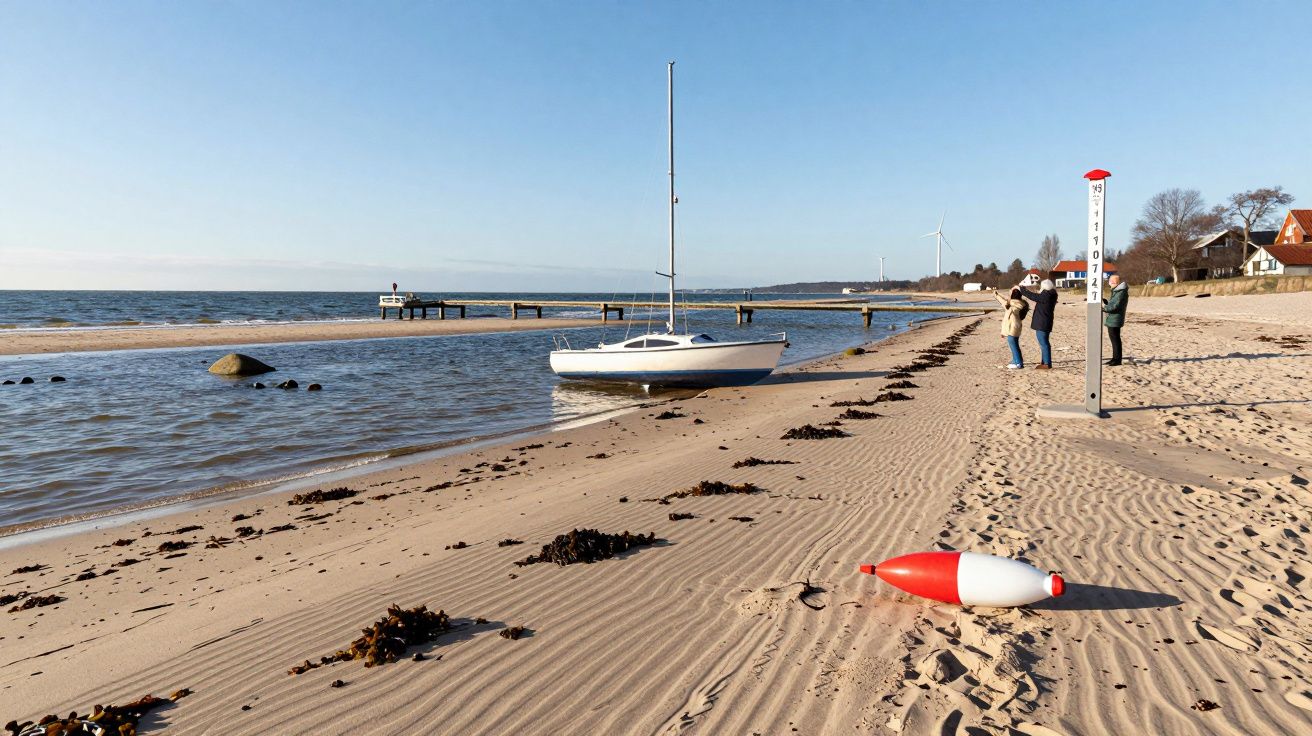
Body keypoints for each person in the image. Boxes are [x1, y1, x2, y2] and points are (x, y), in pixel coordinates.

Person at [1019, 279, 1057, 369]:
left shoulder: (1046, 295)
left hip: (1042, 322)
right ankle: (1044, 362)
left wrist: (1022, 290)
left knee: (1044, 343)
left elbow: (1033, 296)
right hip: (1045, 321)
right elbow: (1036, 295)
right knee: (1044, 342)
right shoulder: (1051, 294)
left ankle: (1047, 363)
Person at [993, 287, 1028, 369]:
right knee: (1014, 344)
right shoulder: (1021, 304)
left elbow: (1003, 300)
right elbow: (1006, 300)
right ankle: (1015, 360)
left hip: (1012, 326)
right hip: (1017, 326)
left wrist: (996, 294)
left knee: (1013, 345)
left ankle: (1019, 363)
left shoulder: (1010, 304)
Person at [1102, 274, 1129, 366]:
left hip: (1115, 319)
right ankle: (1115, 358)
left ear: (1113, 282)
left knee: (1115, 339)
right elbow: (1114, 303)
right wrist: (1107, 303)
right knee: (1114, 339)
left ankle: (1117, 360)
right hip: (1113, 318)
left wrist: (1104, 308)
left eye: (1110, 281)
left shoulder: (1120, 292)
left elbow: (1115, 306)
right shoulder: (1117, 291)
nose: (1109, 283)